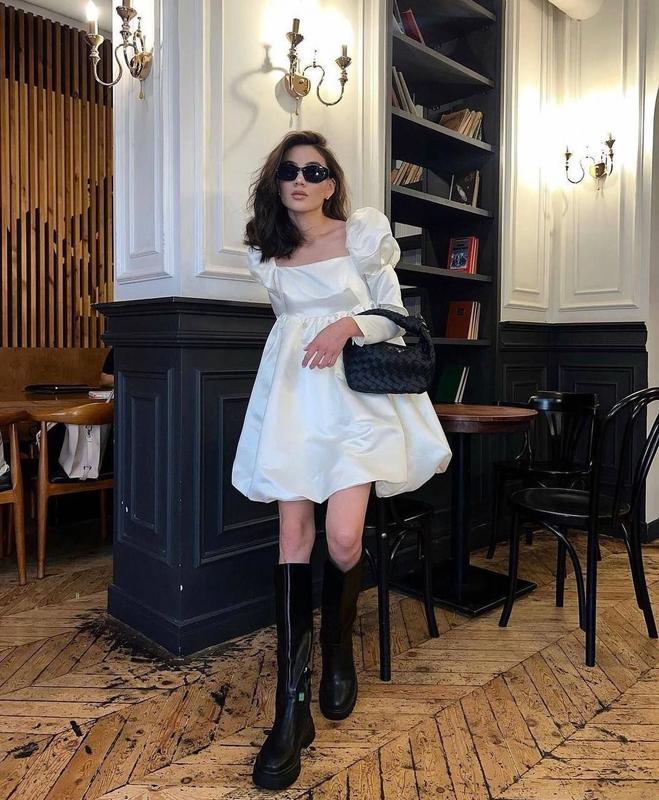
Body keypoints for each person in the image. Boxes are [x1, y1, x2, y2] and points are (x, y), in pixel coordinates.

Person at [231, 131, 452, 790]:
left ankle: (336, 650)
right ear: (276, 182)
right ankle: (290, 704)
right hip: (295, 400)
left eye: (313, 171)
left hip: (354, 401)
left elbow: (391, 314)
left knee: (345, 538)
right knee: (292, 537)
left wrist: (347, 323)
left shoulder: (362, 235)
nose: (300, 180)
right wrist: (316, 329)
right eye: (288, 171)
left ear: (330, 183)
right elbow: (285, 327)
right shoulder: (266, 254)